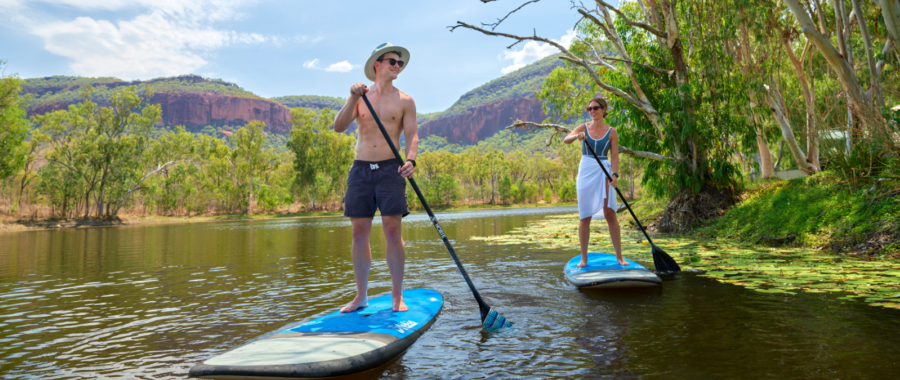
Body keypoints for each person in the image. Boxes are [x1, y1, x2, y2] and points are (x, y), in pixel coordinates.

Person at [333, 43, 419, 312]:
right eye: (393, 61)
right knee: (359, 234)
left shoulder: (405, 101)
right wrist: (351, 98)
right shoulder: (361, 97)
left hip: (390, 171)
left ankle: (397, 296)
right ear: (377, 65)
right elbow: (338, 126)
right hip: (360, 171)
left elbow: (412, 135)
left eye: (400, 63)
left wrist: (410, 160)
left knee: (392, 232)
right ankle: (361, 296)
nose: (397, 66)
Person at [562, 97, 628, 267]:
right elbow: (566, 140)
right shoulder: (583, 127)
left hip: (604, 169)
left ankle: (619, 258)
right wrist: (578, 135)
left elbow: (614, 156)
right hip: (586, 170)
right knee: (585, 216)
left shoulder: (612, 131)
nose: (592, 111)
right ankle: (584, 259)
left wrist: (614, 175)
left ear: (604, 110)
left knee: (610, 213)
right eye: (589, 108)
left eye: (595, 108)